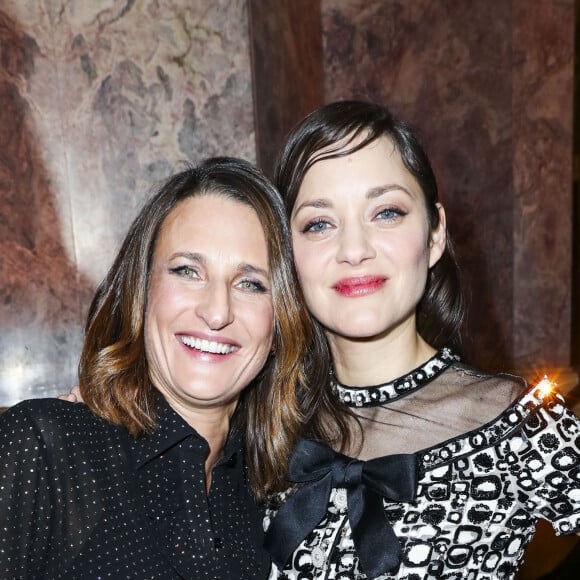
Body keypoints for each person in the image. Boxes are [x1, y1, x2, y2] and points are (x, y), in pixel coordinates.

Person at [263, 100, 580, 579]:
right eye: (319, 224)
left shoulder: (520, 424)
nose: (354, 250)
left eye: (386, 212)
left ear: (434, 235)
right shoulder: (266, 429)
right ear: (289, 254)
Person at [0, 157, 313, 579]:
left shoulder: (279, 501)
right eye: (188, 271)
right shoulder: (44, 447)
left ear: (280, 323)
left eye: (251, 284)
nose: (217, 312)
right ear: (141, 292)